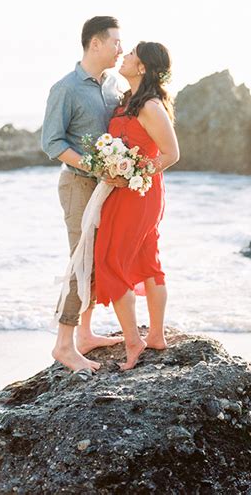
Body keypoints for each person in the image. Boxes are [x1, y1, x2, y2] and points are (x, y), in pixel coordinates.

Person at [41, 16, 127, 372]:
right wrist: (94, 167)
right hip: (78, 185)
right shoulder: (66, 88)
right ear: (95, 44)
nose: (121, 50)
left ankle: (85, 335)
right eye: (116, 43)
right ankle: (63, 345)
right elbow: (51, 142)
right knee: (80, 262)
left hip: (107, 189)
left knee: (96, 261)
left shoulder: (114, 85)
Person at [94, 41, 180, 370]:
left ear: (142, 66)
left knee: (110, 260)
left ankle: (135, 341)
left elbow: (171, 154)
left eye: (131, 54)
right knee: (146, 258)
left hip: (139, 192)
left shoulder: (150, 106)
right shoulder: (130, 100)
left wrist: (133, 172)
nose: (125, 57)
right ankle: (155, 335)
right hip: (131, 190)